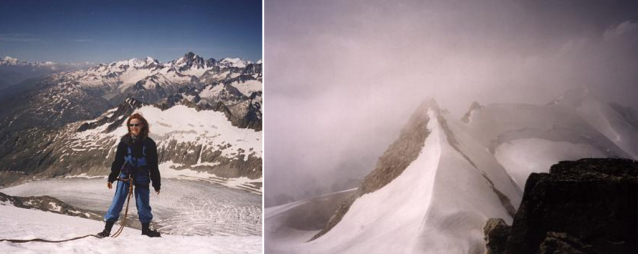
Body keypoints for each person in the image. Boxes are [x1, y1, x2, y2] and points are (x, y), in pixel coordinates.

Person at [97, 113, 162, 238]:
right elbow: (118, 161)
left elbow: (153, 165)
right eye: (131, 125)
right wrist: (112, 177)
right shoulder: (124, 142)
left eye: (136, 125)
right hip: (126, 174)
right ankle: (106, 230)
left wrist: (156, 184)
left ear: (142, 125)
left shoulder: (149, 144)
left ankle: (145, 230)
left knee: (143, 204)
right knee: (117, 202)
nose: (134, 127)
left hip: (142, 176)